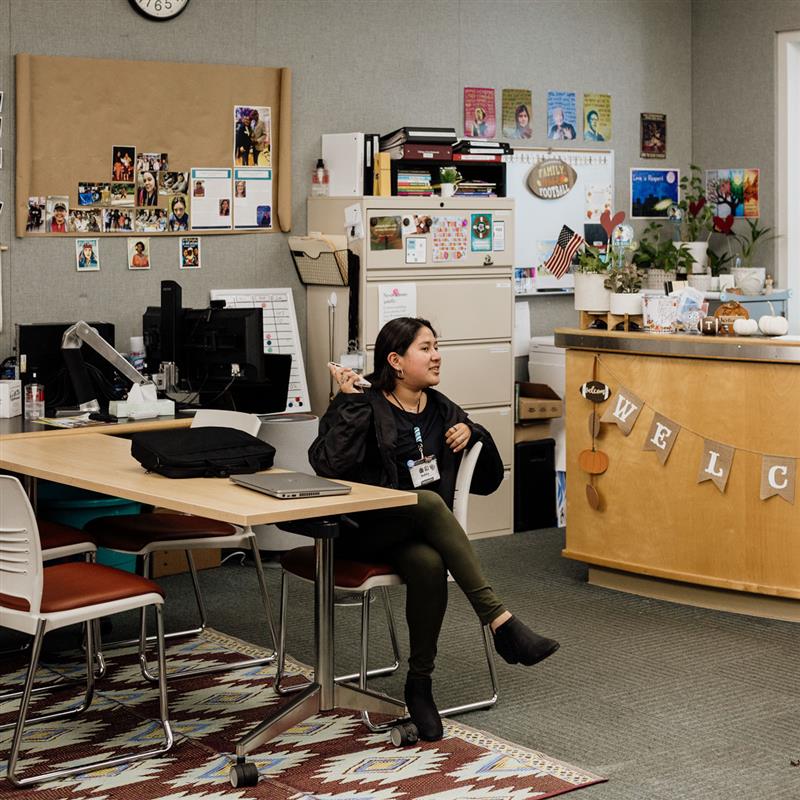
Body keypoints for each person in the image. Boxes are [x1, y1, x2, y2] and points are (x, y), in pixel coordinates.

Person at [309, 317, 560, 742]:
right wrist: (348, 402)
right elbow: (328, 465)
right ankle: (501, 622)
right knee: (424, 501)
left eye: (436, 345)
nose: (437, 355)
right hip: (363, 529)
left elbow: (488, 481)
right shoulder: (364, 401)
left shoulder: (443, 410)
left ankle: (419, 685)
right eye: (425, 348)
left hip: (411, 540)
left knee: (428, 562)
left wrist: (475, 433)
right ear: (396, 361)